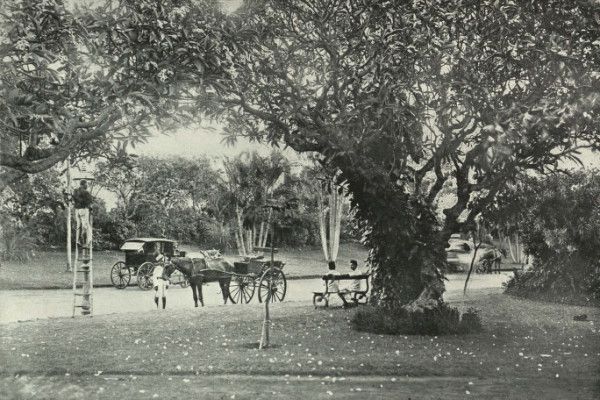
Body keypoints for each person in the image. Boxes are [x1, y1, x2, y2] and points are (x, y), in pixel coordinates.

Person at [72, 180, 93, 246]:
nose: (87, 186)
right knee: (86, 225)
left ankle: (77, 240)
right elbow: (90, 202)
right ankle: (89, 240)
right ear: (83, 184)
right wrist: (90, 208)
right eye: (86, 184)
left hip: (76, 210)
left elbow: (73, 199)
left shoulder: (75, 191)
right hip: (83, 209)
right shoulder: (86, 192)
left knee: (78, 225)